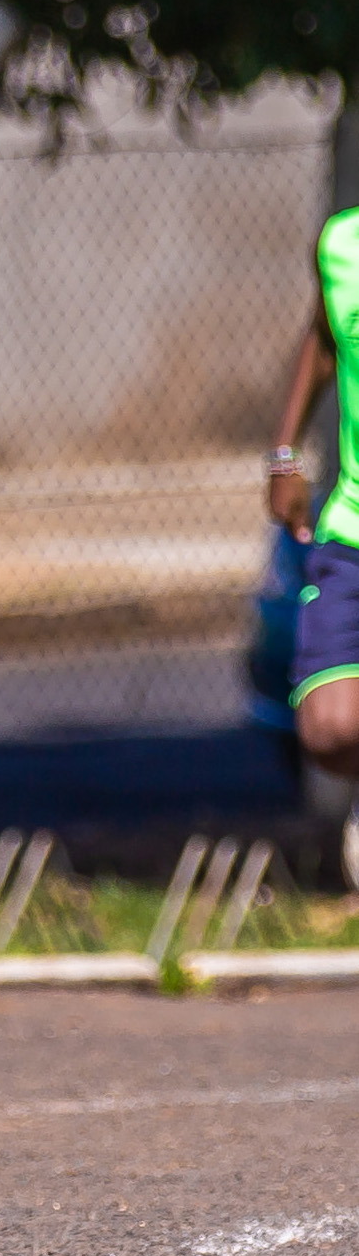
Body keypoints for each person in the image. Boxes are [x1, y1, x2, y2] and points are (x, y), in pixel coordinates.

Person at [266, 241, 359, 888]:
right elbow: (325, 336)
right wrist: (284, 453)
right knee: (328, 730)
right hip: (353, 524)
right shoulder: (343, 245)